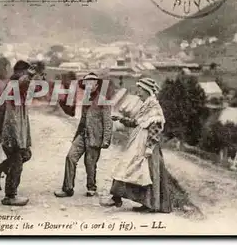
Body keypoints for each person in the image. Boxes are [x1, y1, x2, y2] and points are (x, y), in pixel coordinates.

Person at [101, 77, 172, 213]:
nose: (138, 93)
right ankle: (121, 198)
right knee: (130, 168)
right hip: (139, 141)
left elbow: (155, 129)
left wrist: (149, 147)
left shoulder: (154, 107)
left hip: (146, 145)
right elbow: (137, 122)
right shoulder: (146, 105)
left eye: (140, 90)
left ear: (147, 90)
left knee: (142, 172)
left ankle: (149, 204)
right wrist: (121, 119)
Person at [0, 60, 40, 206]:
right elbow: (24, 83)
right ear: (19, 74)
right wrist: (29, 76)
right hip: (12, 133)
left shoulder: (14, 88)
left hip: (13, 132)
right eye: (24, 73)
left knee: (25, 155)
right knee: (17, 161)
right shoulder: (15, 87)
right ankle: (10, 196)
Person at [54, 72, 113, 198]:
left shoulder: (103, 101)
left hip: (95, 137)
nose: (89, 85)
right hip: (82, 134)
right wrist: (77, 135)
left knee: (90, 163)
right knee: (70, 157)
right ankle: (67, 188)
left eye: (92, 82)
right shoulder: (86, 99)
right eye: (87, 83)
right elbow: (82, 119)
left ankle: (91, 187)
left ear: (97, 85)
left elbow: (108, 121)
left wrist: (106, 140)